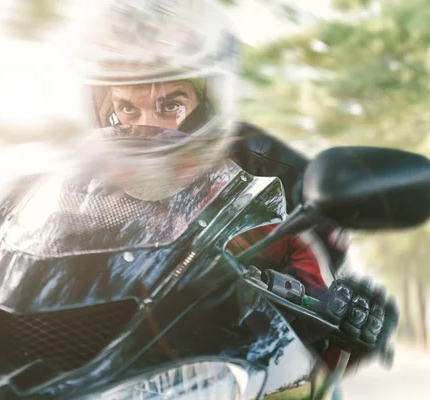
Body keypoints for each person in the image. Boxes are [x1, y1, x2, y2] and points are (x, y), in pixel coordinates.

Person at [68, 0, 398, 370]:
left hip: (230, 374)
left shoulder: (283, 179)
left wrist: (347, 324)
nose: (147, 128)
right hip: (98, 374)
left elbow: (321, 350)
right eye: (128, 109)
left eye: (170, 105)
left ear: (209, 102)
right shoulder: (80, 191)